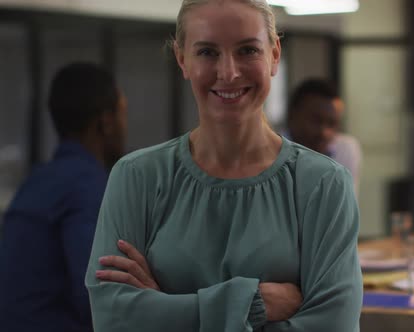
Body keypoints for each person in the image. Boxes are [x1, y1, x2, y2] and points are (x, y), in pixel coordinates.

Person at [85, 1, 363, 331]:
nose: (229, 72)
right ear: (181, 58)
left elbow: (334, 326)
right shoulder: (136, 178)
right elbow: (114, 320)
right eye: (207, 52)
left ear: (274, 54)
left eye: (247, 50)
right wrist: (251, 304)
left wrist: (166, 309)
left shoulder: (323, 184)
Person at [0, 62, 127, 332]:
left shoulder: (36, 183)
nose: (124, 127)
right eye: (122, 113)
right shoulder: (86, 187)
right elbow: (96, 296)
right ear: (105, 122)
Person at [286, 78, 362, 195]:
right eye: (316, 121)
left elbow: (345, 206)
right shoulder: (270, 151)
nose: (324, 132)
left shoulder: (345, 149)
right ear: (292, 115)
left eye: (332, 124)